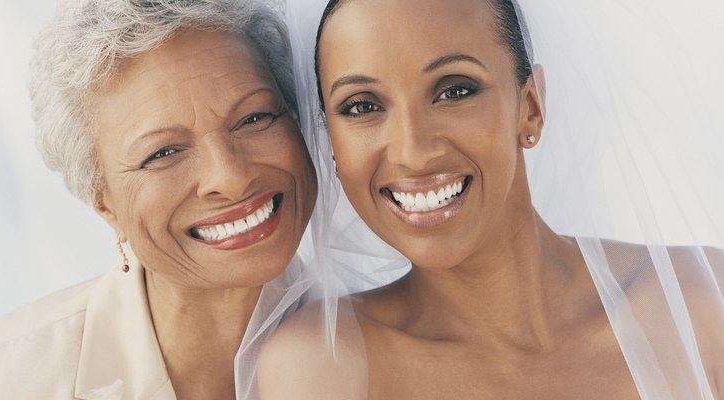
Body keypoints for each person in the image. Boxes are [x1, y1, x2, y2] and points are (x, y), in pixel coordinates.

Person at [258, 0, 724, 398]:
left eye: (455, 91)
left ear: (531, 108)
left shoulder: (703, 303)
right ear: (332, 144)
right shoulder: (322, 367)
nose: (413, 152)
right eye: (362, 106)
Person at [0, 0, 318, 399]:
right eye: (163, 153)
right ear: (103, 202)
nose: (231, 177)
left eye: (254, 118)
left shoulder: (390, 352)